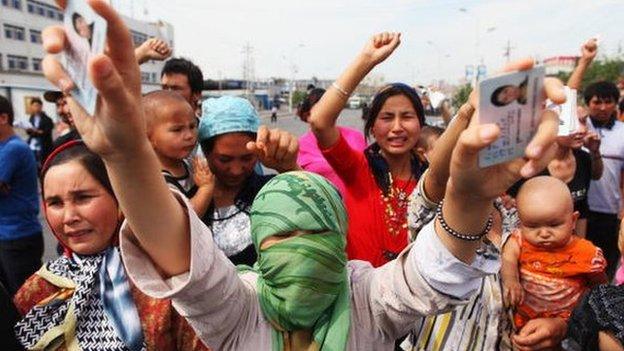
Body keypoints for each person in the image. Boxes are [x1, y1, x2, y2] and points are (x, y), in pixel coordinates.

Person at [38, 4, 563, 346]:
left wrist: (468, 195)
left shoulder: (369, 299)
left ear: (339, 244)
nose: (297, 250)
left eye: (313, 234)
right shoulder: (238, 307)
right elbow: (185, 258)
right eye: (282, 236)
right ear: (259, 250)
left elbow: (434, 273)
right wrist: (126, 155)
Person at [402, 86, 567, 351]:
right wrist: (468, 111)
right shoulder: (432, 213)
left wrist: (557, 325)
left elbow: (552, 282)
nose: (487, 158)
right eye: (477, 149)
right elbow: (436, 177)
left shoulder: (518, 219)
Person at [12, 141, 210, 350]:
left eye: (83, 198)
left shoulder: (167, 276)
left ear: (119, 196)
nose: (69, 217)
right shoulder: (38, 291)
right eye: (55, 203)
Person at [308, 33, 427, 267]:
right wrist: (366, 59)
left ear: (420, 124)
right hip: (361, 296)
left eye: (407, 117)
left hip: (415, 297)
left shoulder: (431, 180)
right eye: (386, 117)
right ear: (372, 126)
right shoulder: (357, 168)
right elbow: (320, 120)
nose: (397, 127)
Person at [196, 95, 300, 266]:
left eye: (247, 158)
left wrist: (290, 168)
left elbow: (327, 209)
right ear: (205, 153)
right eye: (224, 160)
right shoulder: (188, 198)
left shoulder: (270, 191)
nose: (236, 170)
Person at [501, 176, 607, 330]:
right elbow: (508, 257)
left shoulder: (586, 253)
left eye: (554, 224)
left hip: (567, 323)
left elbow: (600, 287)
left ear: (573, 220)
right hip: (524, 319)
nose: (543, 233)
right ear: (521, 222)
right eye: (532, 226)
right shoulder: (520, 240)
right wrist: (511, 281)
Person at [568, 37, 624, 278]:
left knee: (606, 268)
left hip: (611, 212)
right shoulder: (580, 125)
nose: (602, 107)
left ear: (615, 103)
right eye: (596, 102)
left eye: (608, 102)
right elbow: (568, 95)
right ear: (588, 104)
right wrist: (585, 62)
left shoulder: (623, 132)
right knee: (579, 268)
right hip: (580, 210)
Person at [507, 112, 603, 237]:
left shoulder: (583, 158)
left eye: (583, 121)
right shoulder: (529, 164)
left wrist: (579, 248)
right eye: (571, 122)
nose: (581, 129)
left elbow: (582, 210)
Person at [143, 90, 214, 220]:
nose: (189, 135)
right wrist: (206, 188)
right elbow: (182, 220)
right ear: (148, 138)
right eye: (177, 129)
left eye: (193, 126)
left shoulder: (190, 165)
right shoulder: (155, 181)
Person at [0, 95, 44, 297]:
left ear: (3, 118)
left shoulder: (13, 149)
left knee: (26, 302)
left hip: (18, 238)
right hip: (8, 235)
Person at [296, 88, 367, 196]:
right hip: (322, 210)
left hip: (358, 208)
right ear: (308, 113)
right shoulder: (300, 145)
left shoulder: (356, 136)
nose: (326, 111)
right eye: (319, 107)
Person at [26, 97, 54, 164]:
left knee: (43, 163)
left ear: (41, 106)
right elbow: (29, 132)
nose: (36, 108)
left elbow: (47, 132)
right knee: (32, 163)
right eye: (34, 106)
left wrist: (36, 131)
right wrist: (29, 130)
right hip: (32, 145)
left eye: (37, 106)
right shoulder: (31, 118)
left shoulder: (47, 119)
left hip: (43, 146)